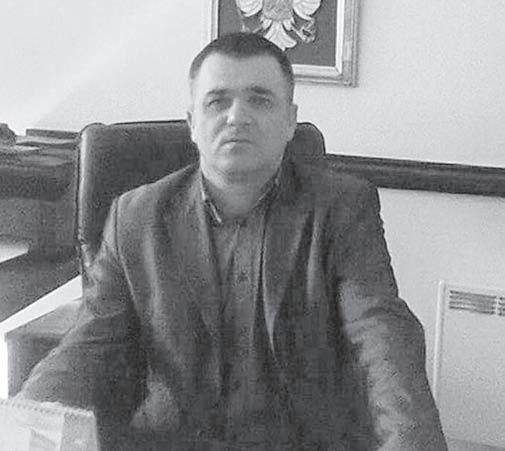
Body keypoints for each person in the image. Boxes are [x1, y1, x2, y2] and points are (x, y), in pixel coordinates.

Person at [18, 32, 447, 450]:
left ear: (290, 120)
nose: (236, 116)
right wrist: (30, 419)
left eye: (259, 100)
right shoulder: (136, 217)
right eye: (217, 101)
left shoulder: (342, 208)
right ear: (192, 123)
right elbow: (90, 347)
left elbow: (381, 335)